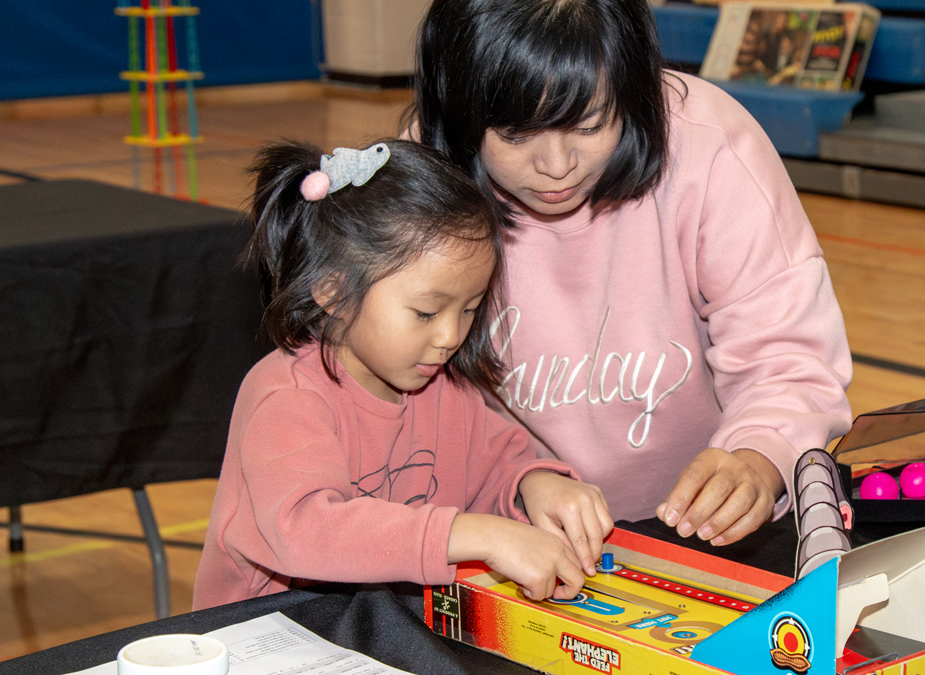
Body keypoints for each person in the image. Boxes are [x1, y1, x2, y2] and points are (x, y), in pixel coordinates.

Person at [409, 0, 854, 562]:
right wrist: (518, 479)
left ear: (632, 88)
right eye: (517, 135)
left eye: (589, 124)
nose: (556, 165)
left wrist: (760, 455)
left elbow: (789, 355)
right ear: (459, 115)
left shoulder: (709, 147)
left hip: (695, 536)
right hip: (504, 532)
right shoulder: (425, 176)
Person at [193, 139, 612, 610]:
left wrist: (535, 484)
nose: (451, 336)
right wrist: (475, 534)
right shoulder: (286, 396)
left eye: (470, 309)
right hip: (269, 637)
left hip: (383, 627)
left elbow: (499, 466)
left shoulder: (444, 387)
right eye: (426, 312)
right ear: (333, 292)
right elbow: (305, 529)